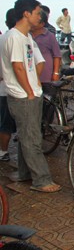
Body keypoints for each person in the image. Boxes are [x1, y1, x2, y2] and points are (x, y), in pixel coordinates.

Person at [2, 0, 61, 193]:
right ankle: (41, 180)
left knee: (28, 136)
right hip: (22, 96)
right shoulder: (13, 37)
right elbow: (18, 67)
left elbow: (37, 62)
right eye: (37, 12)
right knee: (32, 139)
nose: (40, 16)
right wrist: (29, 90)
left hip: (30, 93)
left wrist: (34, 83)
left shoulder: (26, 37)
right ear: (26, 13)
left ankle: (25, 173)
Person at [0, 9, 18, 162]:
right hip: (8, 89)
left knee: (6, 121)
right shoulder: (11, 38)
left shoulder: (5, 38)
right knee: (6, 123)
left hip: (7, 88)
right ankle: (2, 151)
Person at [30, 10, 61, 97]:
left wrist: (55, 73)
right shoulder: (27, 35)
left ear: (42, 23)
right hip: (32, 76)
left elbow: (57, 55)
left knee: (49, 103)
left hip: (47, 76)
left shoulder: (49, 36)